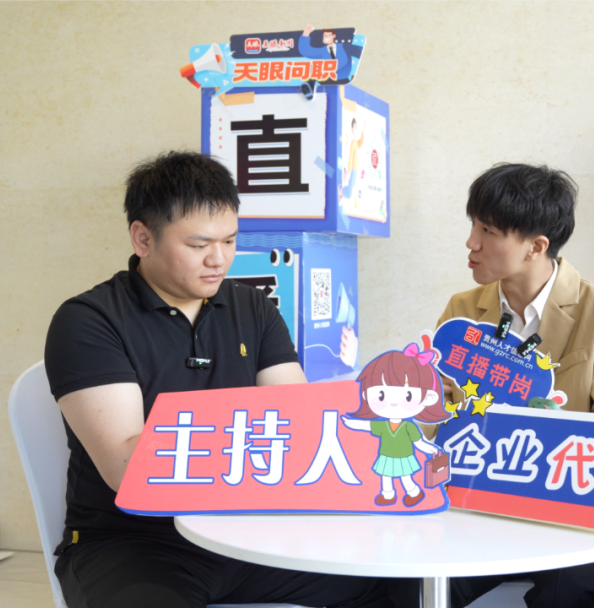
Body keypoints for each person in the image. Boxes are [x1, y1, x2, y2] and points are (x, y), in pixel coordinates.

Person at [44, 151, 394, 608]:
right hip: (135, 542)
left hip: (249, 532)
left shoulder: (253, 307)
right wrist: (248, 433)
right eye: (199, 245)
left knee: (402, 580)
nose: (219, 259)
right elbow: (129, 468)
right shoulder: (89, 320)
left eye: (230, 240)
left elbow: (300, 430)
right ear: (143, 238)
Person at [435, 163, 594, 608]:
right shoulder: (462, 310)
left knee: (570, 585)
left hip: (572, 512)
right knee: (414, 581)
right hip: (480, 503)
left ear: (536, 246)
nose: (471, 242)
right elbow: (439, 413)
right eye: (473, 225)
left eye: (488, 230)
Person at [342, 342, 449, 507]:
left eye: (408, 396)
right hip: (385, 457)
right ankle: (388, 495)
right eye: (381, 395)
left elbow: (419, 442)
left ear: (429, 398)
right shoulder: (382, 425)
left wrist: (432, 449)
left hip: (404, 457)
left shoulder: (409, 426)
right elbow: (366, 426)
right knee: (385, 477)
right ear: (365, 395)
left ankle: (414, 492)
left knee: (406, 477)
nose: (392, 402)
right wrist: (351, 423)